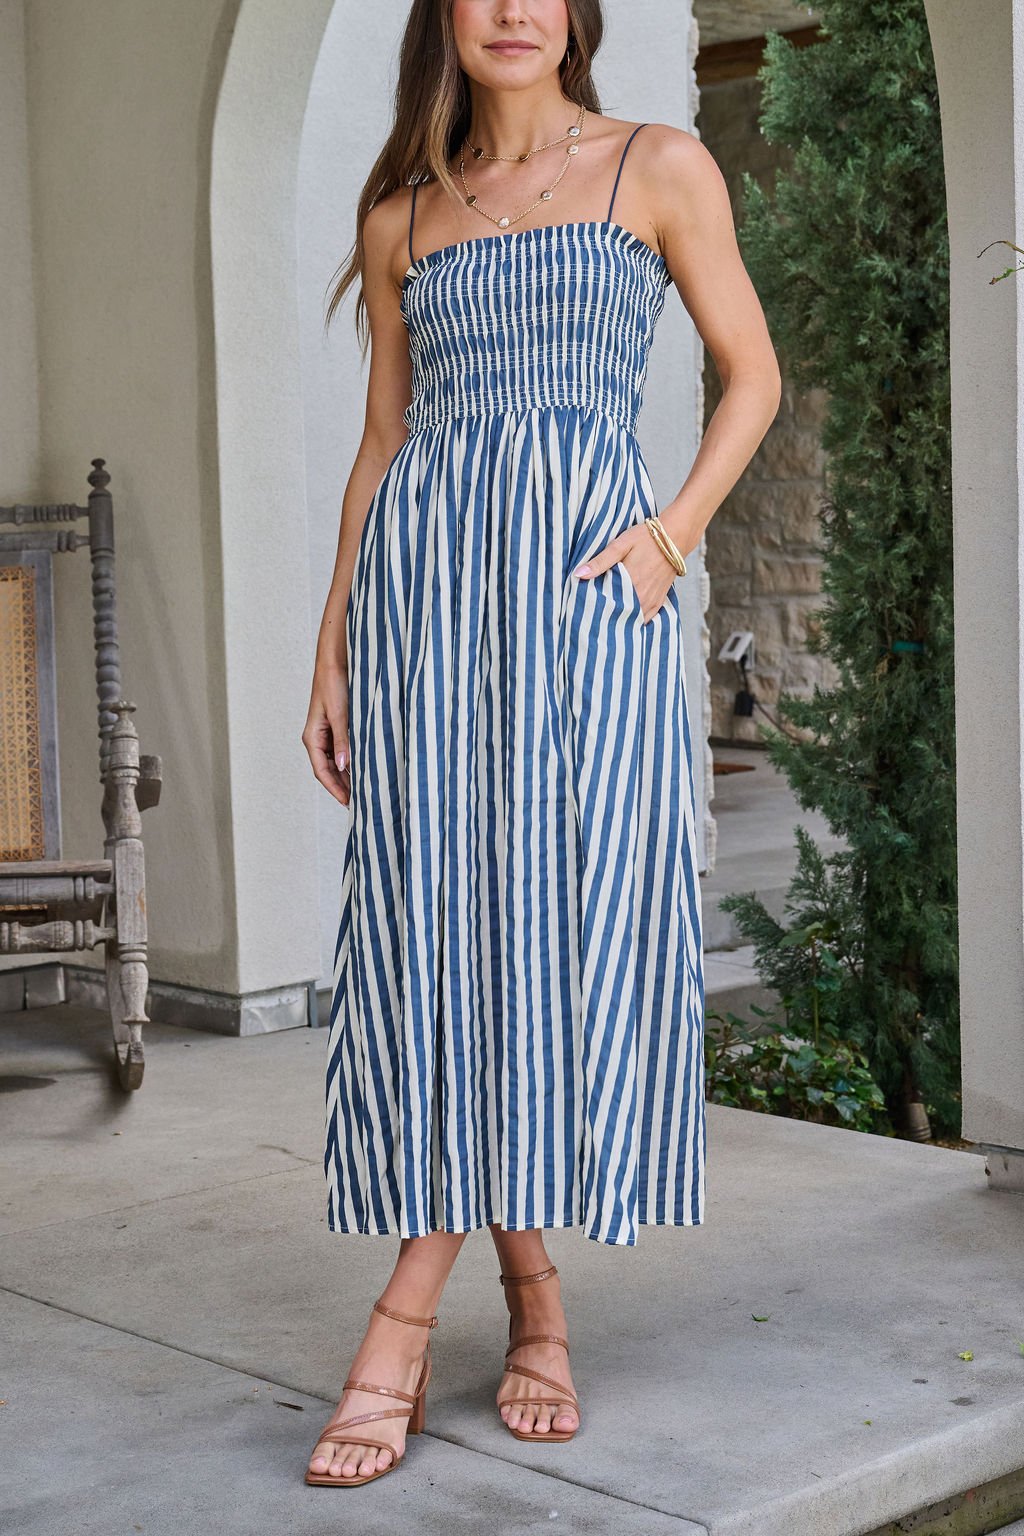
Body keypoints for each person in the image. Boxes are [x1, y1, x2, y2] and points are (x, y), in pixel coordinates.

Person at [301, 0, 781, 1489]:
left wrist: (670, 539)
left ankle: (401, 1315)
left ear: (574, 16)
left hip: (588, 603)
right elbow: (384, 442)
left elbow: (751, 376)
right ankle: (534, 1300)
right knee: (443, 935)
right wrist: (330, 646)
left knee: (557, 932)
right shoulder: (402, 213)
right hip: (429, 611)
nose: (513, 8)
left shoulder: (659, 164)